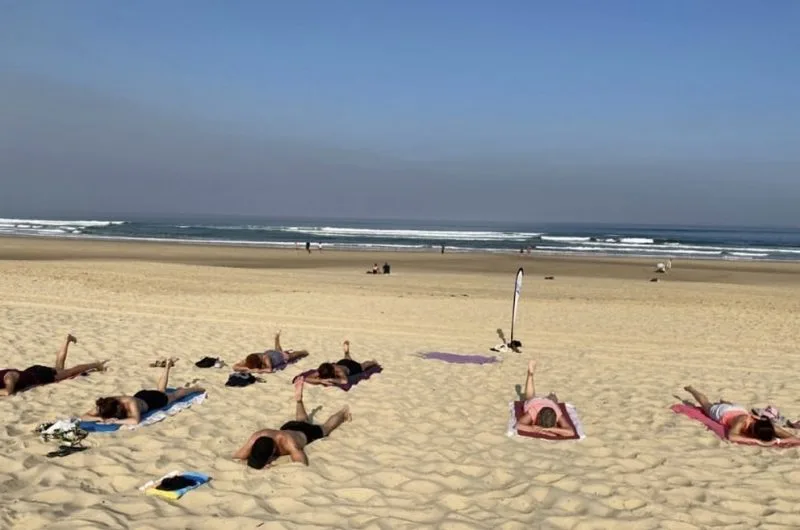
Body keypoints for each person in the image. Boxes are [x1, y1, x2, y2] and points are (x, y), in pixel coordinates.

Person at [233, 377, 351, 468]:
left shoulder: (289, 443)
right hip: (288, 427)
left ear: (274, 451)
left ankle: (343, 412)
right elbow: (237, 457)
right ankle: (299, 401)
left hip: (306, 433)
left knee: (326, 428)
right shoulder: (257, 437)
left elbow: (301, 464)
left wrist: (276, 466)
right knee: (301, 421)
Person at [82, 360, 204, 425]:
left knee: (173, 395)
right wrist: (100, 418)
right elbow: (83, 417)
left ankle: (195, 388)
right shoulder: (104, 405)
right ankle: (167, 367)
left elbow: (136, 420)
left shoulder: (129, 402)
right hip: (141, 395)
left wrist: (116, 421)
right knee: (161, 390)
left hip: (152, 400)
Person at [682, 385, 798, 445]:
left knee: (732, 406)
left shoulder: (767, 426)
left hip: (739, 409)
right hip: (724, 413)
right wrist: (757, 442)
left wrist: (778, 441)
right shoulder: (742, 422)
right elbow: (732, 437)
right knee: (706, 404)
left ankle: (725, 402)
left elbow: (796, 439)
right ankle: (692, 390)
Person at [1, 334, 108, 397]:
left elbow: (8, 392)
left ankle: (95, 364)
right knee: (59, 368)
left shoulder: (8, 377)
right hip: (33, 371)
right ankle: (67, 341)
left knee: (69, 372)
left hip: (39, 376)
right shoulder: (4, 375)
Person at [515, 360, 576, 438]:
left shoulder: (557, 414)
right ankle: (552, 393)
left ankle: (530, 376)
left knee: (532, 397)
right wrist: (544, 430)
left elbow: (519, 425)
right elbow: (518, 426)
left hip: (545, 403)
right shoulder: (535, 412)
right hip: (543, 403)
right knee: (532, 398)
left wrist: (547, 429)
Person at [304, 340, 379, 386]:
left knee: (363, 366)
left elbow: (345, 381)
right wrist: (320, 380)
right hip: (342, 363)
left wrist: (331, 380)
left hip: (351, 368)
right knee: (347, 359)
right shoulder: (323, 370)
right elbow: (307, 378)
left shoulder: (339, 371)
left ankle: (373, 362)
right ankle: (346, 353)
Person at [233, 330, 309, 373]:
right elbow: (235, 366)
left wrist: (259, 370)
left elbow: (269, 369)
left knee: (295, 355)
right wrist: (248, 369)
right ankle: (276, 338)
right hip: (273, 354)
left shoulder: (265, 358)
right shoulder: (249, 360)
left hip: (281, 357)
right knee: (278, 349)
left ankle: (304, 351)